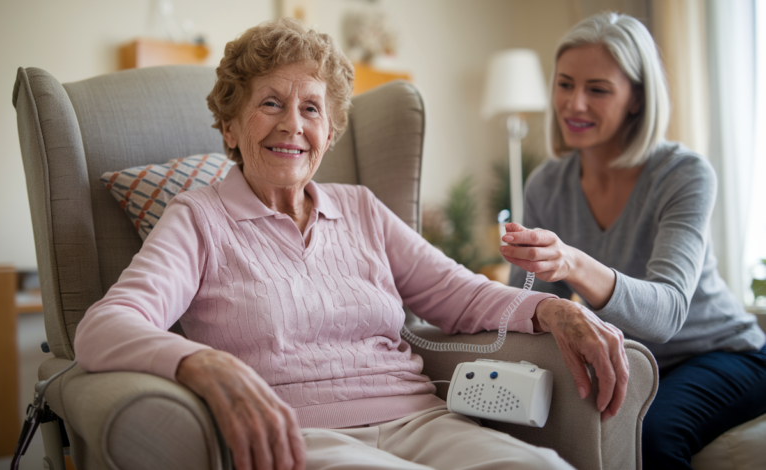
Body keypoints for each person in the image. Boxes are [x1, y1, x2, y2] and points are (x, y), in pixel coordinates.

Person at [75, 18, 628, 470]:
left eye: (311, 108)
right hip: (299, 436)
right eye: (270, 103)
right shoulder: (199, 218)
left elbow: (460, 295)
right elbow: (105, 327)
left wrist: (554, 308)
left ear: (330, 132)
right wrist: (198, 364)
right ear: (229, 126)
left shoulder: (361, 207)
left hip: (424, 422)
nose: (292, 125)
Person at [504, 12, 766, 470]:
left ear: (636, 100)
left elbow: (666, 314)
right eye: (564, 84)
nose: (574, 103)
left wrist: (572, 264)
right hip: (635, 359)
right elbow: (526, 305)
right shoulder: (546, 184)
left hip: (721, 353)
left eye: (598, 89)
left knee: (651, 438)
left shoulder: (684, 173)